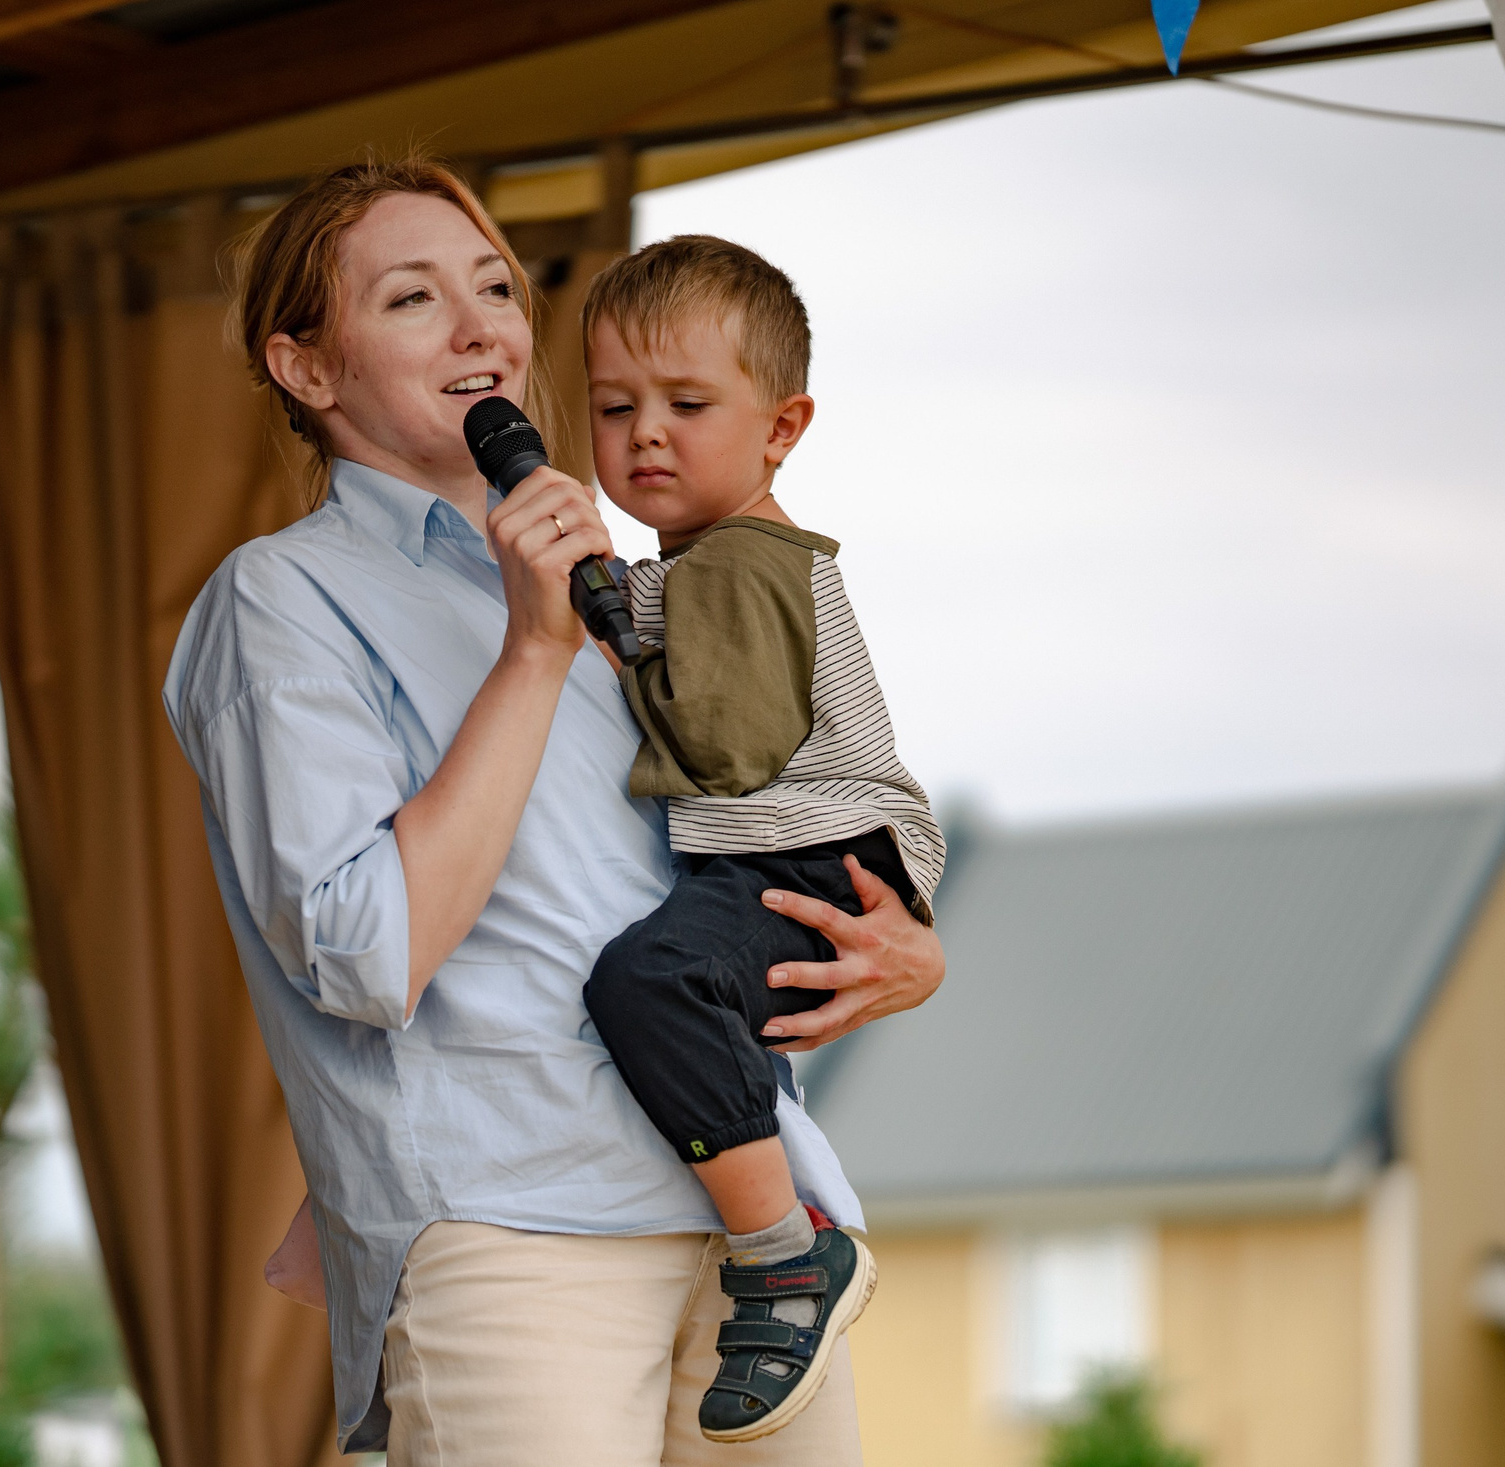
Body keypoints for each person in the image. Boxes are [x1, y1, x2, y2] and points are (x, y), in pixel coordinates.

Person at [162, 156, 944, 1463]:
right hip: (517, 1231)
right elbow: (364, 951)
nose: (481, 329)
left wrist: (904, 942)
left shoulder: (617, 578)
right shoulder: (280, 600)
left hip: (758, 1229)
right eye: (413, 298)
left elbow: (746, 834)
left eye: (495, 289)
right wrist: (532, 651)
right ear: (306, 368)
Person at [578, 235, 944, 1441]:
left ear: (781, 428)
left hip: (810, 846)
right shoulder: (711, 562)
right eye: (614, 407)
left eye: (687, 405)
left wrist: (614, 636)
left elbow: (725, 746)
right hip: (818, 842)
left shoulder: (734, 563)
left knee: (653, 979)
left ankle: (784, 1252)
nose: (645, 435)